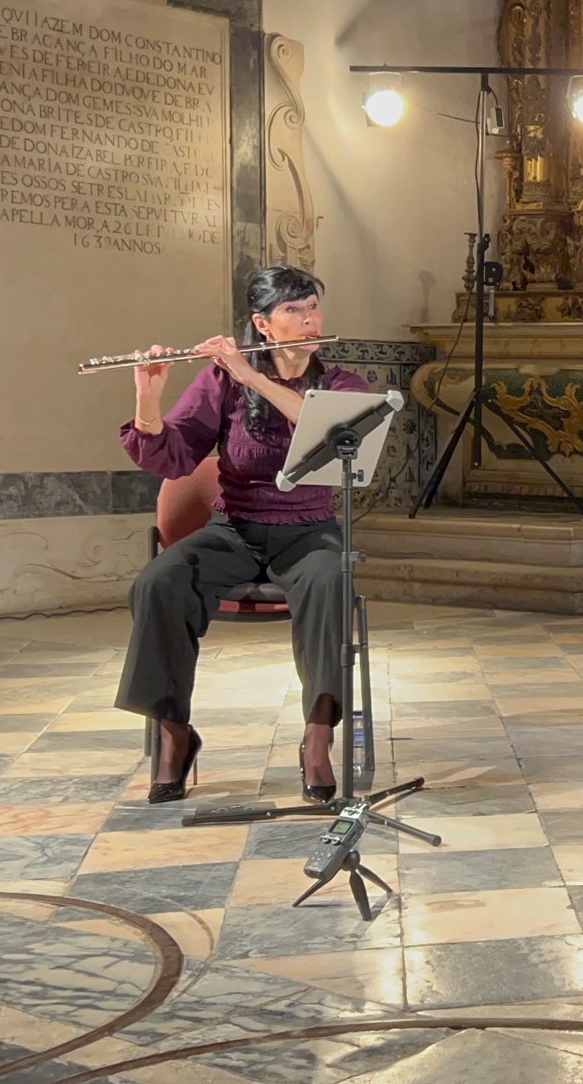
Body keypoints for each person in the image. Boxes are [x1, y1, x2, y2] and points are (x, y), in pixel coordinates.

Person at [116, 265, 369, 805]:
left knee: (330, 580)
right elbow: (174, 454)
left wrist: (251, 375)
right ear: (263, 324)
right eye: (293, 310)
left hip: (309, 531)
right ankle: (174, 734)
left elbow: (323, 429)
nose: (308, 320)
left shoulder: (343, 384)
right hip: (235, 530)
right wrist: (148, 396)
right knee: (158, 580)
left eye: (312, 308)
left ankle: (318, 737)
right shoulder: (219, 381)